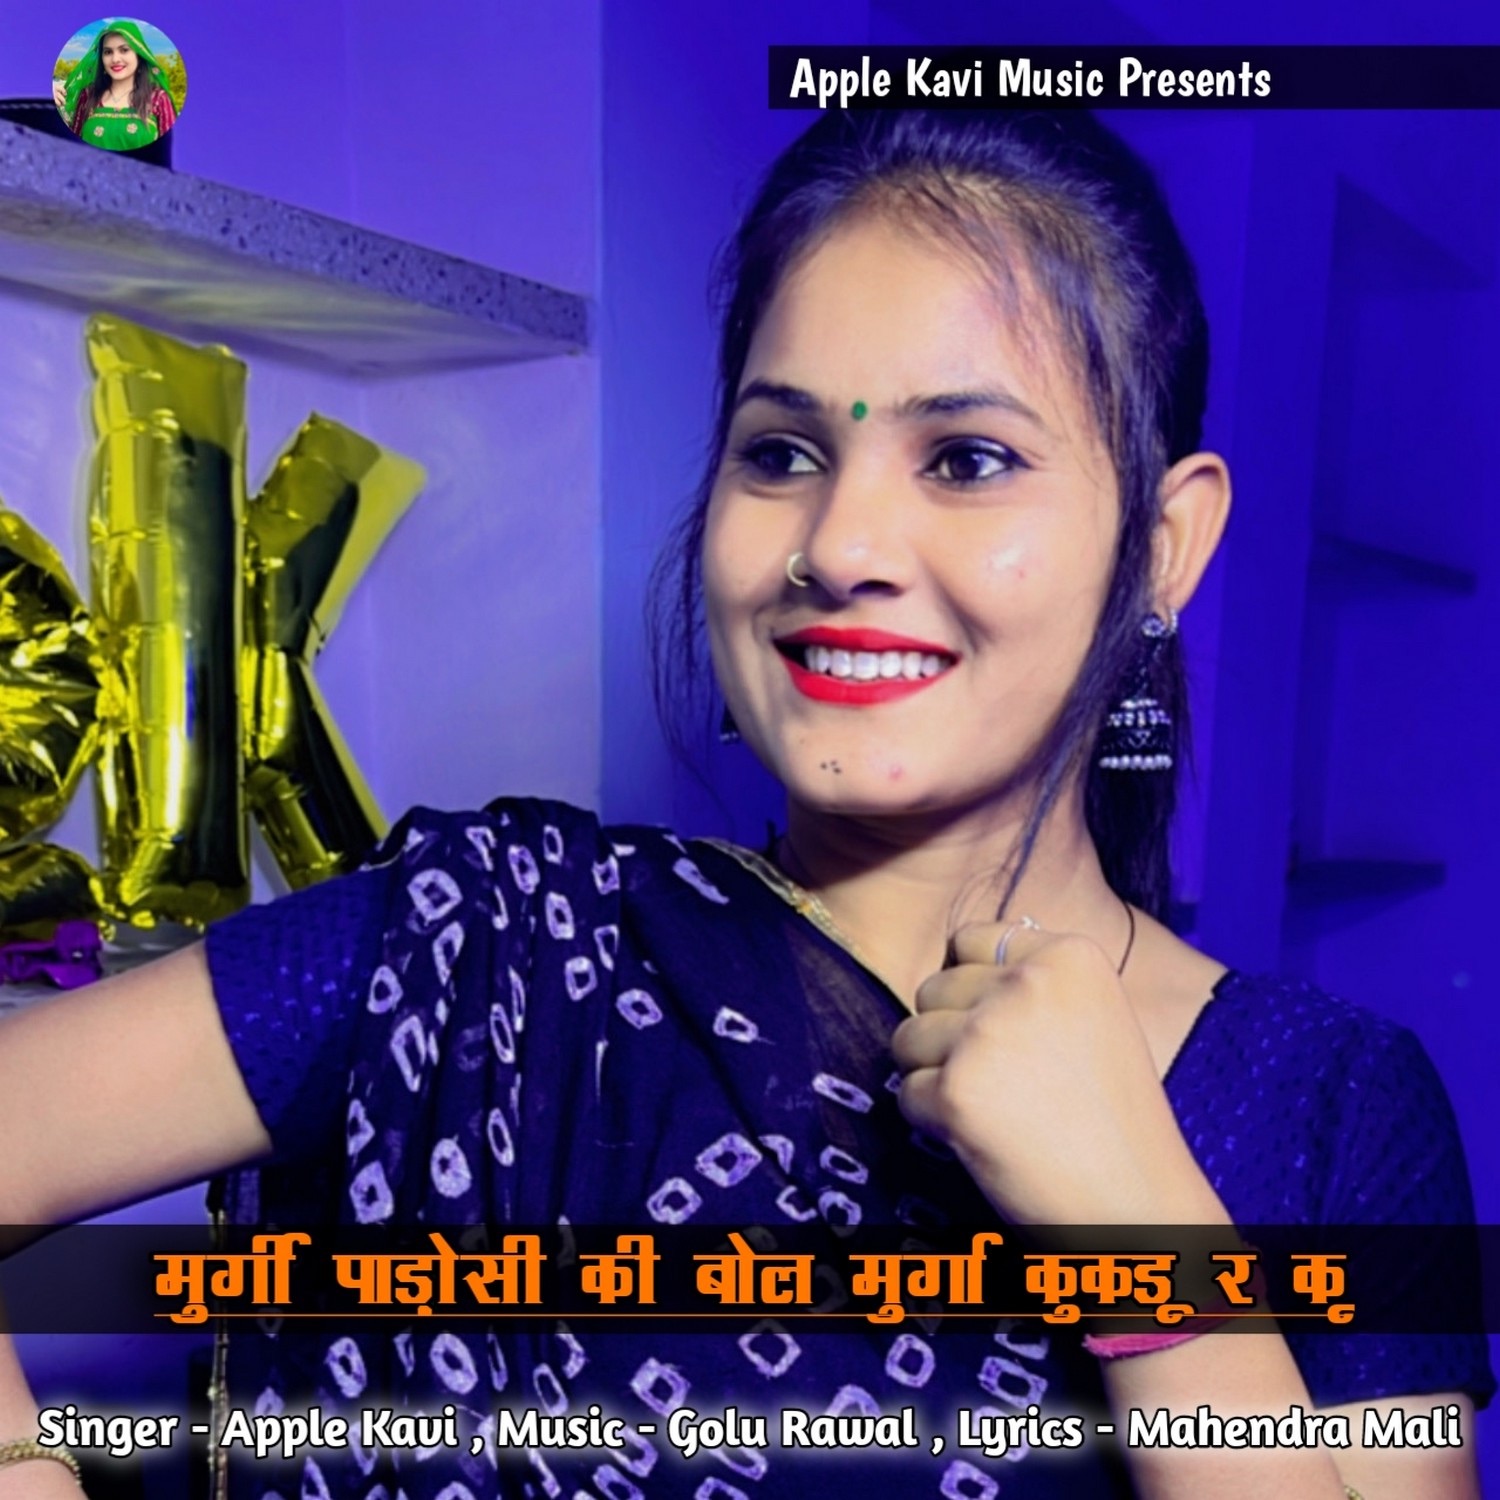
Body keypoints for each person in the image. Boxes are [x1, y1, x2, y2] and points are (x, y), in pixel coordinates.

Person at [0, 109, 1491, 1500]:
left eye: (967, 459)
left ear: (1166, 543)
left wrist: (1142, 1236)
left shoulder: (1332, 1110)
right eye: (784, 452)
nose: (840, 543)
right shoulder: (487, 955)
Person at [52, 21, 177, 152]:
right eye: (108, 52)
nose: (115, 59)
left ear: (139, 55)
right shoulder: (88, 95)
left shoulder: (158, 98)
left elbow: (171, 154)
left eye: (124, 50)